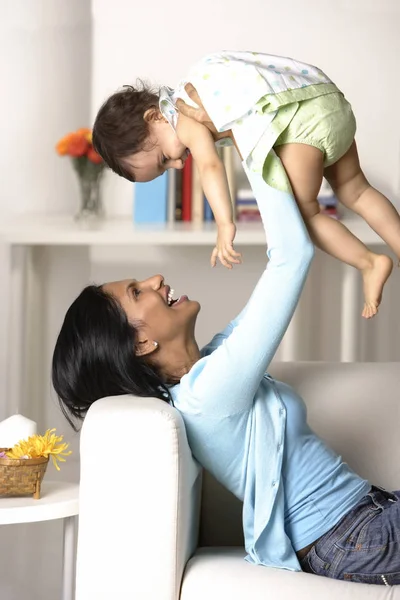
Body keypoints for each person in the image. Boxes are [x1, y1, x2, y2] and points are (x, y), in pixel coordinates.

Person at [53, 90, 400, 586]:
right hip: (353, 538)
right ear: (141, 344)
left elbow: (277, 274)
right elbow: (291, 260)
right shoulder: (211, 393)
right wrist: (253, 139)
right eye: (137, 291)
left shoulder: (211, 369)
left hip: (367, 516)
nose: (155, 280)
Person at [92, 50, 400, 319]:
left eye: (163, 158)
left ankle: (369, 262)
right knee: (356, 190)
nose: (179, 164)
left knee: (306, 214)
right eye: (167, 169)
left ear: (154, 117)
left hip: (302, 125)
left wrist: (225, 224)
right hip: (327, 104)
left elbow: (211, 166)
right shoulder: (203, 90)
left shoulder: (182, 114)